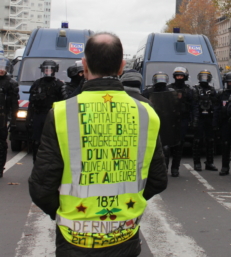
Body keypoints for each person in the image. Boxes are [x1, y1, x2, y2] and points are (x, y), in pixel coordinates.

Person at [29, 32, 168, 257]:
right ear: (122, 66)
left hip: (74, 237)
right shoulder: (146, 113)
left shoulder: (62, 112)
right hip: (124, 233)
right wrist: (127, 207)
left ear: (84, 65)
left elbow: (41, 186)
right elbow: (158, 179)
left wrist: (67, 214)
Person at [26, 60, 64, 162]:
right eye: (46, 69)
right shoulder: (37, 84)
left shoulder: (59, 85)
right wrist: (28, 119)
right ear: (43, 70)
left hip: (53, 117)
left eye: (50, 69)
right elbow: (31, 103)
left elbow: (63, 105)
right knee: (36, 142)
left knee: (52, 143)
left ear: (54, 70)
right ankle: (36, 165)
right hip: (39, 116)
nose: (48, 71)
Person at [142, 72, 179, 175]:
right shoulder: (148, 91)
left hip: (167, 121)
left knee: (166, 147)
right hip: (152, 120)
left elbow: (175, 106)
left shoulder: (171, 92)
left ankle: (165, 168)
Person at [167, 67, 195, 177]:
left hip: (183, 119)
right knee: (167, 146)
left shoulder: (189, 90)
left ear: (185, 77)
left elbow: (193, 106)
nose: (179, 78)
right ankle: (165, 168)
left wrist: (193, 120)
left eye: (181, 76)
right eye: (177, 76)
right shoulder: (168, 89)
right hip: (170, 120)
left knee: (179, 145)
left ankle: (175, 168)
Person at [193, 69, 219, 171]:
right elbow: (194, 105)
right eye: (203, 77)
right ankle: (197, 163)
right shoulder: (195, 89)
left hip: (209, 117)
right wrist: (194, 119)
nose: (204, 79)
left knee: (210, 141)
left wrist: (215, 121)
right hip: (199, 117)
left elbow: (216, 105)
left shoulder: (212, 90)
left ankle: (209, 162)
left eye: (206, 77)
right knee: (197, 141)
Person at [217, 71, 231, 176]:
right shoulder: (222, 94)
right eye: (229, 82)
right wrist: (215, 124)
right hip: (225, 122)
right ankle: (225, 167)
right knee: (225, 146)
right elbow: (217, 109)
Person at [0, 57, 19, 178]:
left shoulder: (11, 83)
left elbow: (14, 103)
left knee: (1, 143)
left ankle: (0, 167)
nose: (1, 70)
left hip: (2, 116)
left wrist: (13, 120)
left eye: (3, 68)